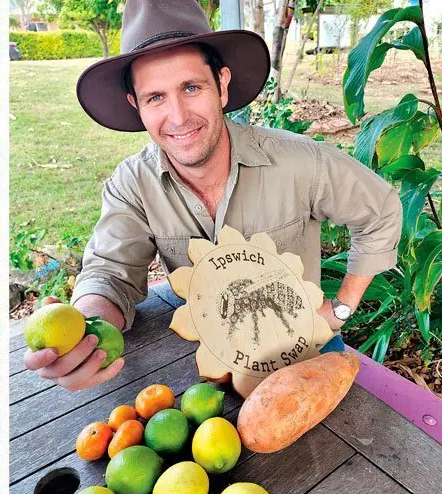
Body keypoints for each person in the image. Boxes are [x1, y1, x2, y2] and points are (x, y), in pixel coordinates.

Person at [23, 0, 402, 395]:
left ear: (221, 85)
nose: (179, 116)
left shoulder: (301, 162)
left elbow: (382, 209)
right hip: (208, 362)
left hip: (306, 352)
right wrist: (84, 330)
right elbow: (109, 274)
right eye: (155, 97)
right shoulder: (132, 184)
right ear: (136, 106)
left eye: (191, 87)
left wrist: (340, 309)